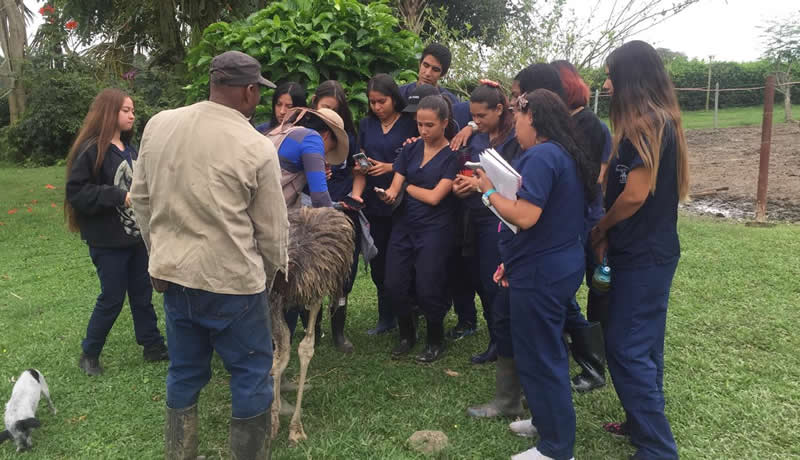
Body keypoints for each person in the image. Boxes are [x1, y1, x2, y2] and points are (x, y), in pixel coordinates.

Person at [130, 50, 288, 459]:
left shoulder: (160, 124)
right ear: (250, 91)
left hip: (174, 277)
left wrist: (158, 255)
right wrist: (267, 277)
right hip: (233, 281)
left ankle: (179, 454)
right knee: (251, 375)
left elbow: (141, 200)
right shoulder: (255, 145)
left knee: (184, 371)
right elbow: (272, 231)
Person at [476, 89, 598, 460]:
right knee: (545, 350)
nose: (516, 124)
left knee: (543, 356)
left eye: (519, 116)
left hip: (543, 272)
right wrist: (511, 262)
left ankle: (556, 449)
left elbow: (526, 216)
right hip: (554, 264)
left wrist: (489, 192)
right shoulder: (564, 153)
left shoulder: (542, 156)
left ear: (535, 119)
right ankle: (546, 423)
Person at [590, 40, 690, 460]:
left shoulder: (647, 125)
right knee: (644, 345)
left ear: (632, 78)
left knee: (627, 347)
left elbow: (634, 195)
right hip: (647, 249)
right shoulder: (658, 121)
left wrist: (600, 228)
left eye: (613, 75)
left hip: (644, 254)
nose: (609, 84)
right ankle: (639, 421)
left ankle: (656, 449)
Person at [65, 88, 168, 377]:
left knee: (141, 293)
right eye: (126, 110)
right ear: (109, 112)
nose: (132, 115)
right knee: (112, 297)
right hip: (107, 240)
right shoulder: (91, 150)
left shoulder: (130, 149)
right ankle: (90, 352)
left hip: (135, 238)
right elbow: (77, 192)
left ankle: (153, 346)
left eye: (133, 110)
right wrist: (116, 195)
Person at [459, 80, 527, 417]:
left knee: (505, 292)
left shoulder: (521, 142)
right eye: (473, 117)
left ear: (501, 110)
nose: (476, 121)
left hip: (507, 219)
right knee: (489, 283)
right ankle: (496, 345)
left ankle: (515, 392)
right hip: (485, 215)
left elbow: (514, 186)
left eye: (481, 116)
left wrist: (481, 187)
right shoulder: (481, 137)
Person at [381, 95, 459, 363]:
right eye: (419, 125)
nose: (423, 131)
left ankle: (435, 340)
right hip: (404, 225)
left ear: (445, 123)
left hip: (435, 229)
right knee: (394, 282)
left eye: (429, 125)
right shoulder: (411, 149)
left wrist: (405, 188)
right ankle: (407, 334)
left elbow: (436, 197)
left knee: (429, 286)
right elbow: (395, 184)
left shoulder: (452, 157)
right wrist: (390, 194)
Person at [552, 59, 614, 393]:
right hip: (577, 219)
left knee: (593, 290)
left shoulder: (586, 124)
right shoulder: (572, 123)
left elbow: (593, 176)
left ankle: (594, 367)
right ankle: (587, 361)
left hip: (586, 220)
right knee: (576, 291)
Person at [351, 74, 418, 335]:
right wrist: (362, 167)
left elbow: (418, 160)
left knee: (402, 261)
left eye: (382, 101)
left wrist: (389, 167)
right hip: (373, 202)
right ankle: (385, 316)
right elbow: (360, 158)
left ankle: (410, 312)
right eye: (372, 102)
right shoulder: (367, 125)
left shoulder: (409, 124)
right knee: (378, 261)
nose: (377, 107)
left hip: (402, 202)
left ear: (394, 98)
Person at [308, 80, 360, 353]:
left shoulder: (349, 139)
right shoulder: (300, 135)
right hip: (309, 214)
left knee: (342, 274)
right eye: (325, 108)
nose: (328, 115)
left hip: (342, 211)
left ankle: (338, 331)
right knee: (309, 273)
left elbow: (360, 168)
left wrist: (356, 196)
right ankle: (311, 330)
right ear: (314, 104)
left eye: (335, 110)